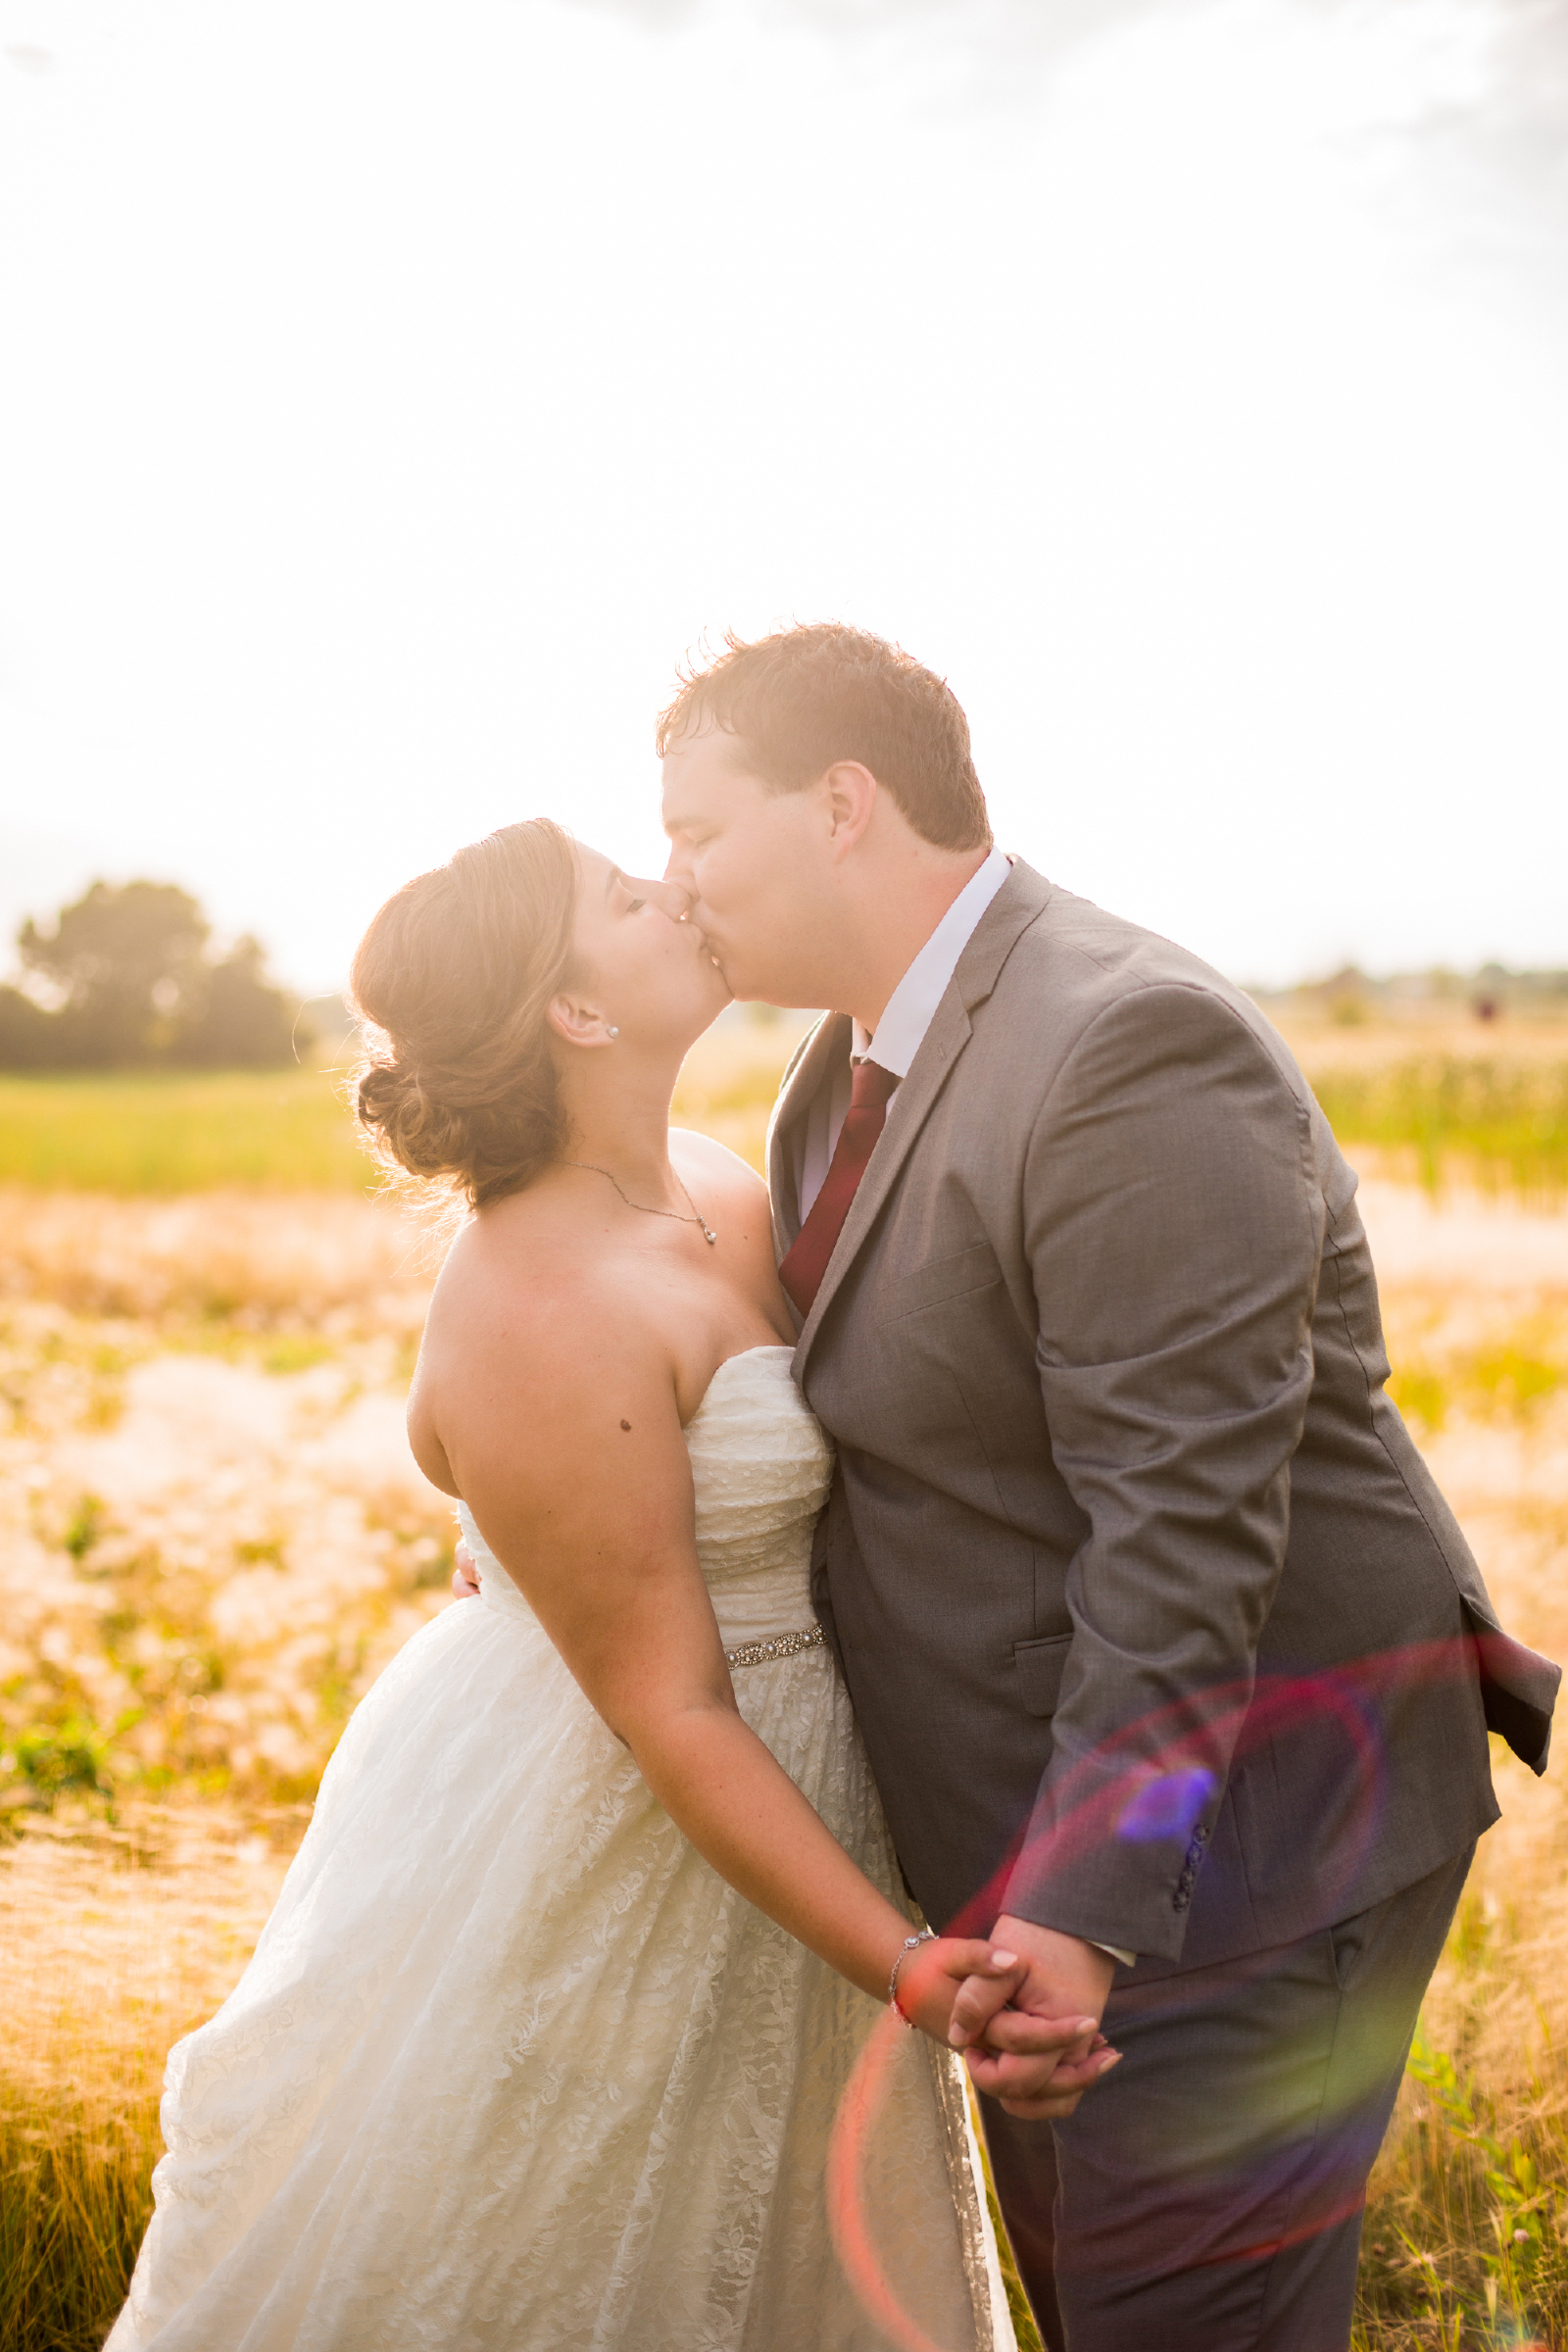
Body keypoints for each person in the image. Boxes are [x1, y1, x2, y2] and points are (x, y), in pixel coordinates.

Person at [644, 621, 1561, 2352]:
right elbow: (874, 1419)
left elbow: (1184, 1526)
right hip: (1045, 1870)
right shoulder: (834, 1074)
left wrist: (1077, 1904)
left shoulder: (1127, 1043)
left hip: (1241, 1854)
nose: (670, 873)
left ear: (841, 804)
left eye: (697, 826)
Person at [106, 817, 1080, 2352]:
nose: (675, 887)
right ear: (577, 1011)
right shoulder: (536, 1300)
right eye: (628, 896)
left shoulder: (714, 1179)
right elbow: (668, 1704)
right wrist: (903, 1969)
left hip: (793, 1796)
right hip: (631, 1825)